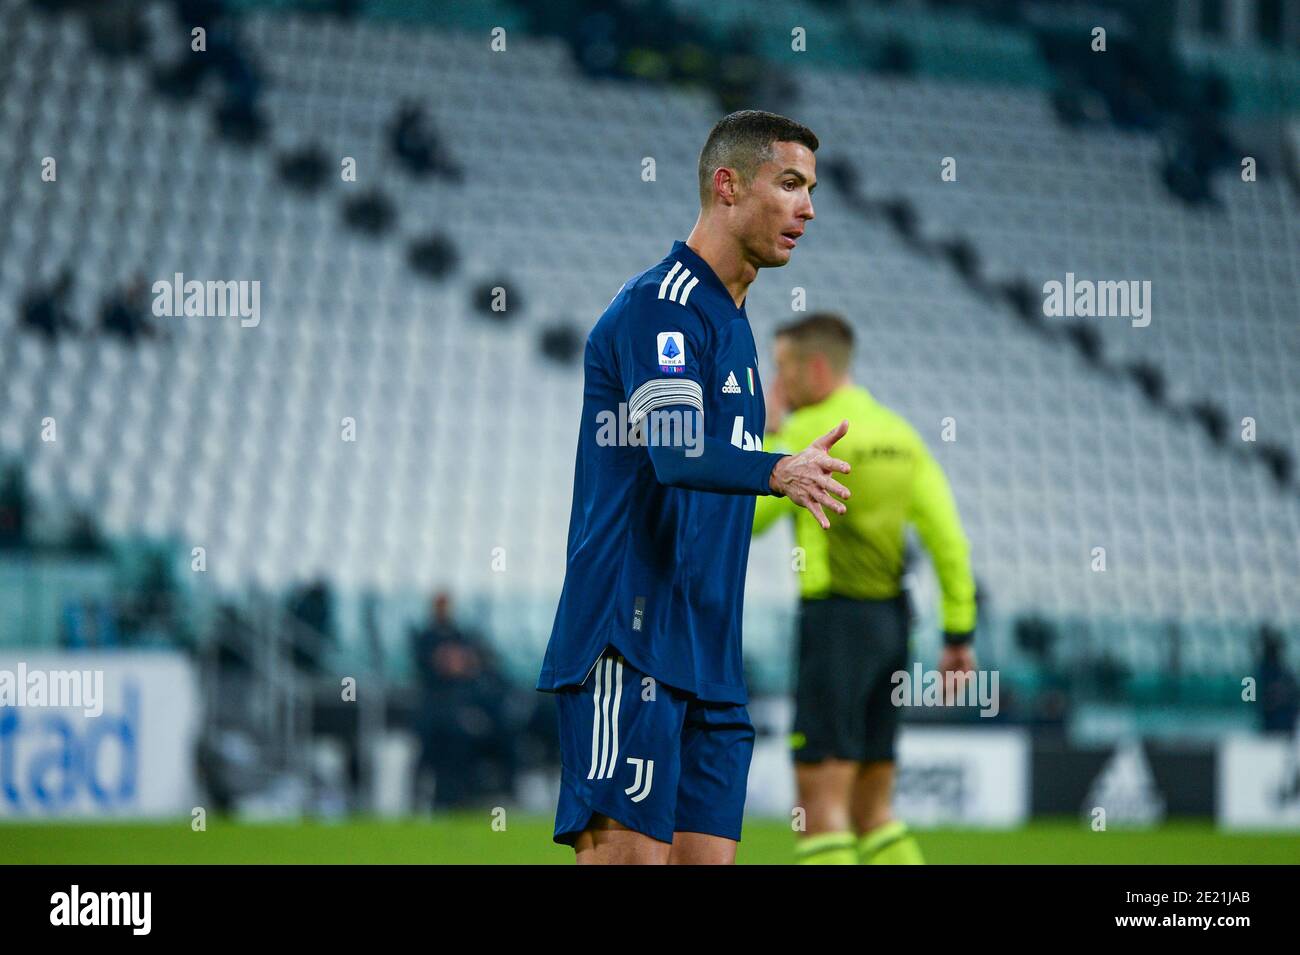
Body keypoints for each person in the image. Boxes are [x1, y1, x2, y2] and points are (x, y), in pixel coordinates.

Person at [537, 110, 853, 864]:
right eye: (789, 184)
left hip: (711, 655)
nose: (808, 207)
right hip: (631, 638)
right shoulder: (663, 304)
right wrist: (779, 468)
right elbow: (676, 454)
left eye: (811, 188)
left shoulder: (735, 323)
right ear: (727, 185)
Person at [753, 312, 977, 864]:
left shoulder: (812, 434)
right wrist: (959, 634)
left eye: (782, 368)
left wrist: (771, 435)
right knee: (874, 811)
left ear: (818, 366)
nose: (775, 382)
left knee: (819, 809)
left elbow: (750, 518)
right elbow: (948, 541)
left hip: (834, 628)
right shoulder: (901, 435)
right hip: (894, 629)